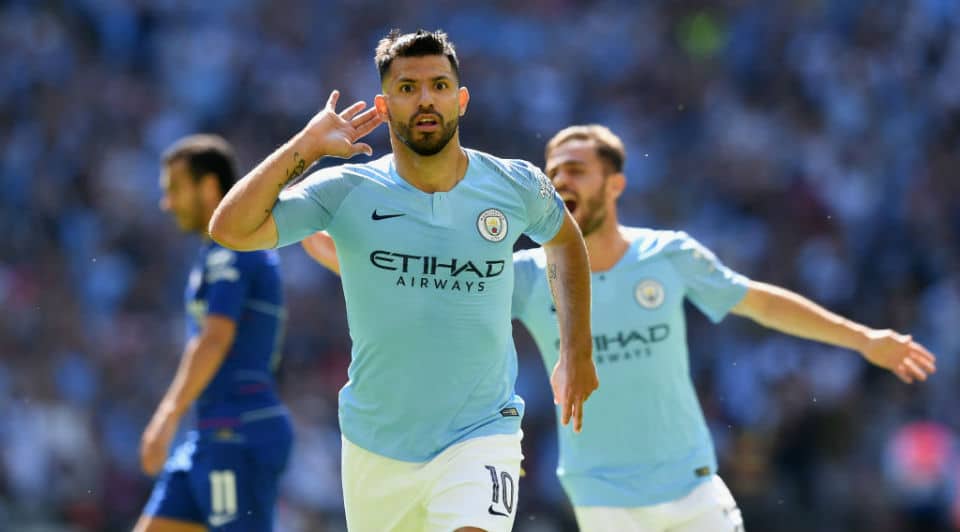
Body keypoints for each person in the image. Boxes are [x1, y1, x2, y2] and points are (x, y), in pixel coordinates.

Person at [302, 124, 938, 531]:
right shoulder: (527, 274)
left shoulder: (668, 255)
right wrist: (336, 235)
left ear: (616, 184)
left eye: (578, 169)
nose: (561, 180)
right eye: (554, 170)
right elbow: (423, 289)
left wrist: (866, 339)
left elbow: (759, 303)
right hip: (602, 496)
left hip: (691, 485)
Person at [207, 30, 598, 532]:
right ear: (384, 105)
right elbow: (231, 229)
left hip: (482, 434)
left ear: (461, 100)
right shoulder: (347, 190)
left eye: (439, 85)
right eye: (408, 88)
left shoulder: (515, 184)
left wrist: (577, 349)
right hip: (377, 446)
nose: (425, 99)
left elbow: (564, 240)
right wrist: (306, 148)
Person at [135, 135, 294, 532]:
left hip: (238, 433)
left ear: (208, 187)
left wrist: (168, 413)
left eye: (175, 188)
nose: (167, 202)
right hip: (209, 434)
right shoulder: (215, 252)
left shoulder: (235, 248)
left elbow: (215, 339)